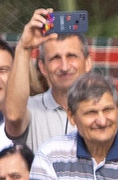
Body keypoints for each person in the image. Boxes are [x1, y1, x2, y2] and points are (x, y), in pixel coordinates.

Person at [5, 11, 92, 153]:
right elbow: (14, 117)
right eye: (55, 58)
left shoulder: (110, 114)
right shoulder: (31, 110)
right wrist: (24, 48)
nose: (64, 67)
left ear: (88, 63)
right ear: (42, 67)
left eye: (71, 56)